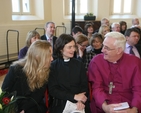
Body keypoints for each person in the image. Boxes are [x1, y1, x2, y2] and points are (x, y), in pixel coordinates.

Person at [88, 32, 141, 113]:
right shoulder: (96, 61)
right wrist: (105, 107)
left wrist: (134, 109)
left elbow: (138, 89)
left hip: (129, 105)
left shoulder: (134, 62)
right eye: (103, 46)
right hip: (103, 105)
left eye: (107, 48)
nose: (102, 50)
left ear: (119, 50)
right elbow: (97, 88)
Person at [2, 40, 53, 113]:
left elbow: (37, 96)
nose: (52, 59)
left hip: (32, 104)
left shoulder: (46, 71)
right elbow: (5, 92)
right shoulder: (15, 69)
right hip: (13, 105)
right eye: (49, 56)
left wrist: (23, 109)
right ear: (37, 57)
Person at [48, 34, 91, 113]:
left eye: (74, 46)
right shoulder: (53, 66)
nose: (73, 50)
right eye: (69, 47)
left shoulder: (79, 64)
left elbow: (84, 87)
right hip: (61, 102)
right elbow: (53, 90)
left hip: (79, 102)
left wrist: (81, 101)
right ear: (61, 49)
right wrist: (74, 96)